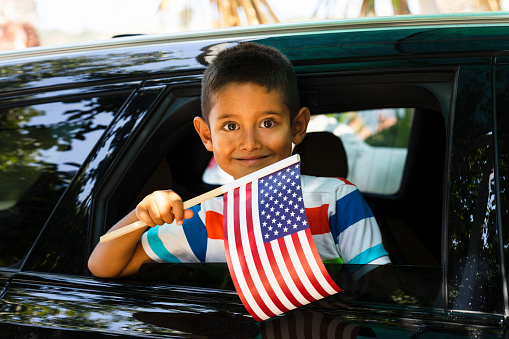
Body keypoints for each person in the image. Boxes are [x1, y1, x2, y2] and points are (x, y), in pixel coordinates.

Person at [88, 42, 390, 278]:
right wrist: (141, 216)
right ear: (206, 136)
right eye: (231, 126)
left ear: (297, 126)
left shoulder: (335, 201)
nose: (250, 143)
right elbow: (102, 267)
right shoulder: (203, 220)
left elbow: (376, 285)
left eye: (268, 123)